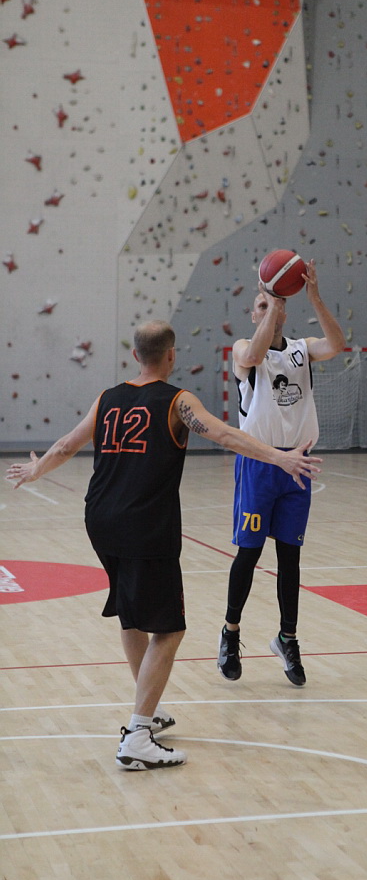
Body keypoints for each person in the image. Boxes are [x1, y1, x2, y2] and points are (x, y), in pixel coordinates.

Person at [5, 321, 320, 770]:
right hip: (145, 525)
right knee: (169, 630)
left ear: (135, 356)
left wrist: (36, 471)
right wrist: (280, 456)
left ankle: (147, 710)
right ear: (171, 355)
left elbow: (67, 444)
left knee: (131, 615)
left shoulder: (107, 397)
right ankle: (137, 735)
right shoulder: (178, 401)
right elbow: (226, 435)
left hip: (100, 518)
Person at [217, 259, 345, 685]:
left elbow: (337, 344)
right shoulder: (242, 350)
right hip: (259, 463)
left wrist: (315, 297)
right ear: (255, 315)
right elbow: (254, 355)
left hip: (298, 465)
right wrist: (272, 299)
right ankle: (230, 632)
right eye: (260, 305)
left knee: (291, 557)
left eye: (272, 304)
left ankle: (287, 639)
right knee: (249, 554)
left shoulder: (301, 349)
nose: (267, 308)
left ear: (285, 311)